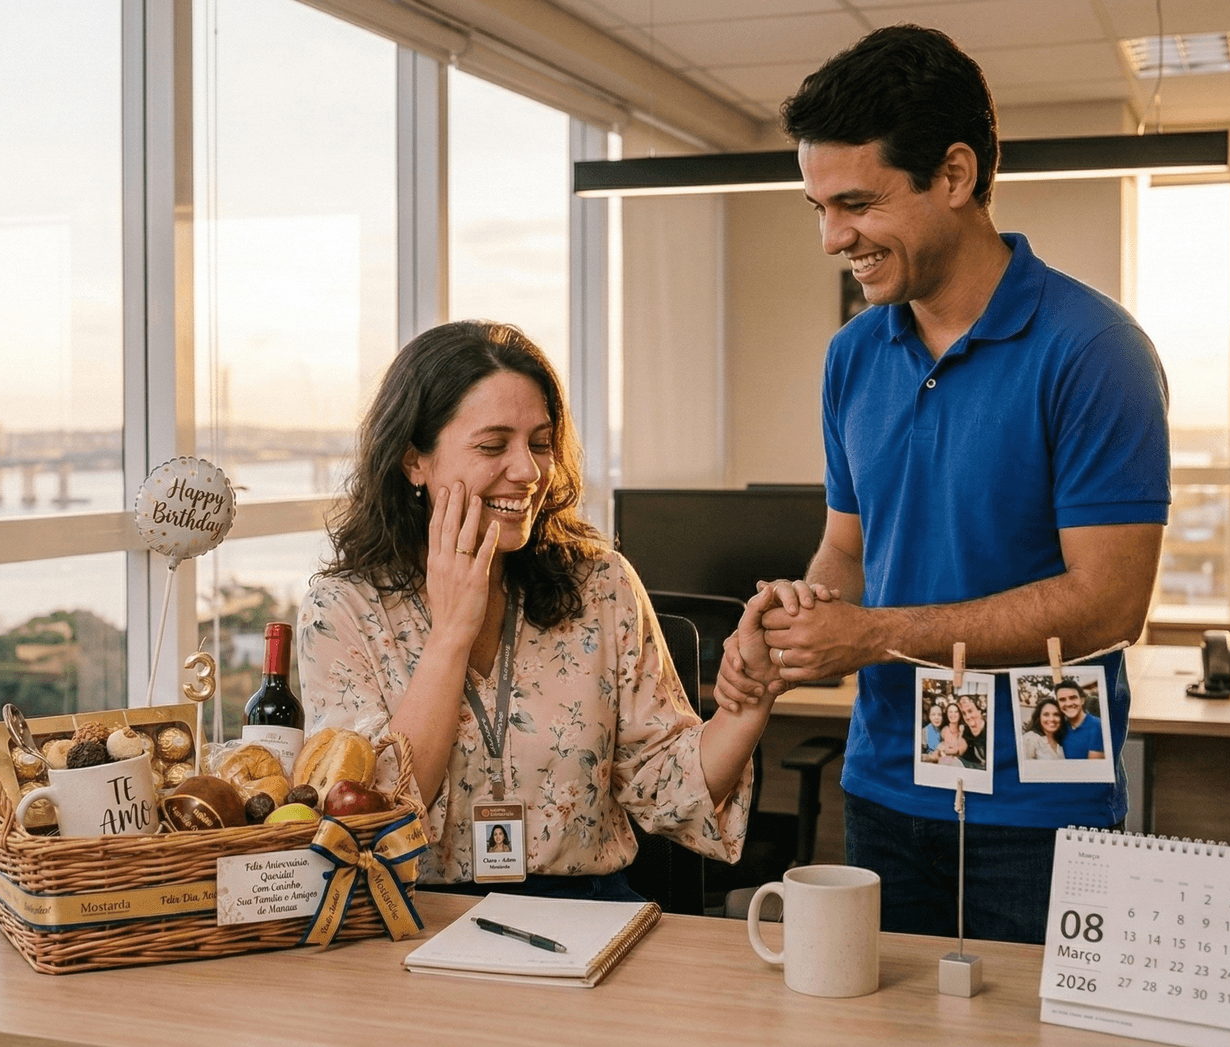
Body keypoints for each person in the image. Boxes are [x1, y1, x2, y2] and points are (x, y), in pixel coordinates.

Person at [714, 25, 1169, 944]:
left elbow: (1111, 602)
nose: (832, 236)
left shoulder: (1092, 352)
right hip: (883, 783)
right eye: (818, 207)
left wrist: (873, 635)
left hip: (1041, 803)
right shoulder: (852, 356)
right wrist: (796, 624)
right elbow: (847, 546)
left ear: (954, 176)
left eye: (855, 203)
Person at [298, 320, 771, 901]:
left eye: (540, 443)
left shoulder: (602, 584)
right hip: (416, 916)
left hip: (588, 912)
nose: (527, 471)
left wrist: (747, 704)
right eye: (493, 445)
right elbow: (376, 820)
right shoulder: (341, 608)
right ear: (412, 461)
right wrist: (450, 637)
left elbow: (667, 785)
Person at [1054, 679, 1106, 759]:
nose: (1068, 704)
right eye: (1062, 700)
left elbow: (1094, 768)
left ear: (1082, 700)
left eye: (1073, 698)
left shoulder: (1097, 725)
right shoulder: (1060, 728)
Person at [1020, 696, 1066, 761]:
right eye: (1046, 714)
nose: (1052, 719)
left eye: (1056, 714)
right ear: (1039, 717)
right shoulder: (1030, 739)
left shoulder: (1061, 741)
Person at [956, 693, 988, 771]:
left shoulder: (990, 730)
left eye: (970, 711)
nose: (967, 717)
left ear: (980, 710)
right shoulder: (963, 733)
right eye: (964, 713)